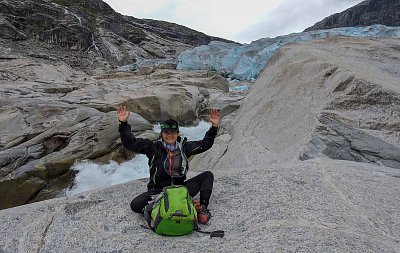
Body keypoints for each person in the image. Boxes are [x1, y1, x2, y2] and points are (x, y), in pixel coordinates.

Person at [117, 105, 220, 224]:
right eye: (166, 132)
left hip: (181, 189)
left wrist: (214, 126)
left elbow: (205, 144)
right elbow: (130, 143)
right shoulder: (152, 147)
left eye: (173, 132)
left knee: (208, 176)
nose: (169, 135)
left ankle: (202, 209)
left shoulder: (184, 147)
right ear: (162, 133)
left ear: (178, 133)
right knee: (135, 204)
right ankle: (178, 205)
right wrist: (123, 123)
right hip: (159, 191)